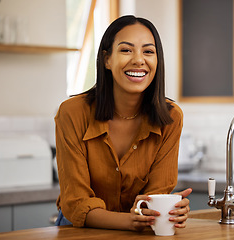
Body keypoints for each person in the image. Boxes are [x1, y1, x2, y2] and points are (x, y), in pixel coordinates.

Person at [54, 15, 192, 231]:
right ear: (107, 59)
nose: (139, 60)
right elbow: (76, 203)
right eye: (126, 50)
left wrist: (169, 210)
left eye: (148, 51)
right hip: (79, 231)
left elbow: (155, 196)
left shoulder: (170, 117)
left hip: (139, 230)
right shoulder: (72, 112)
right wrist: (133, 221)